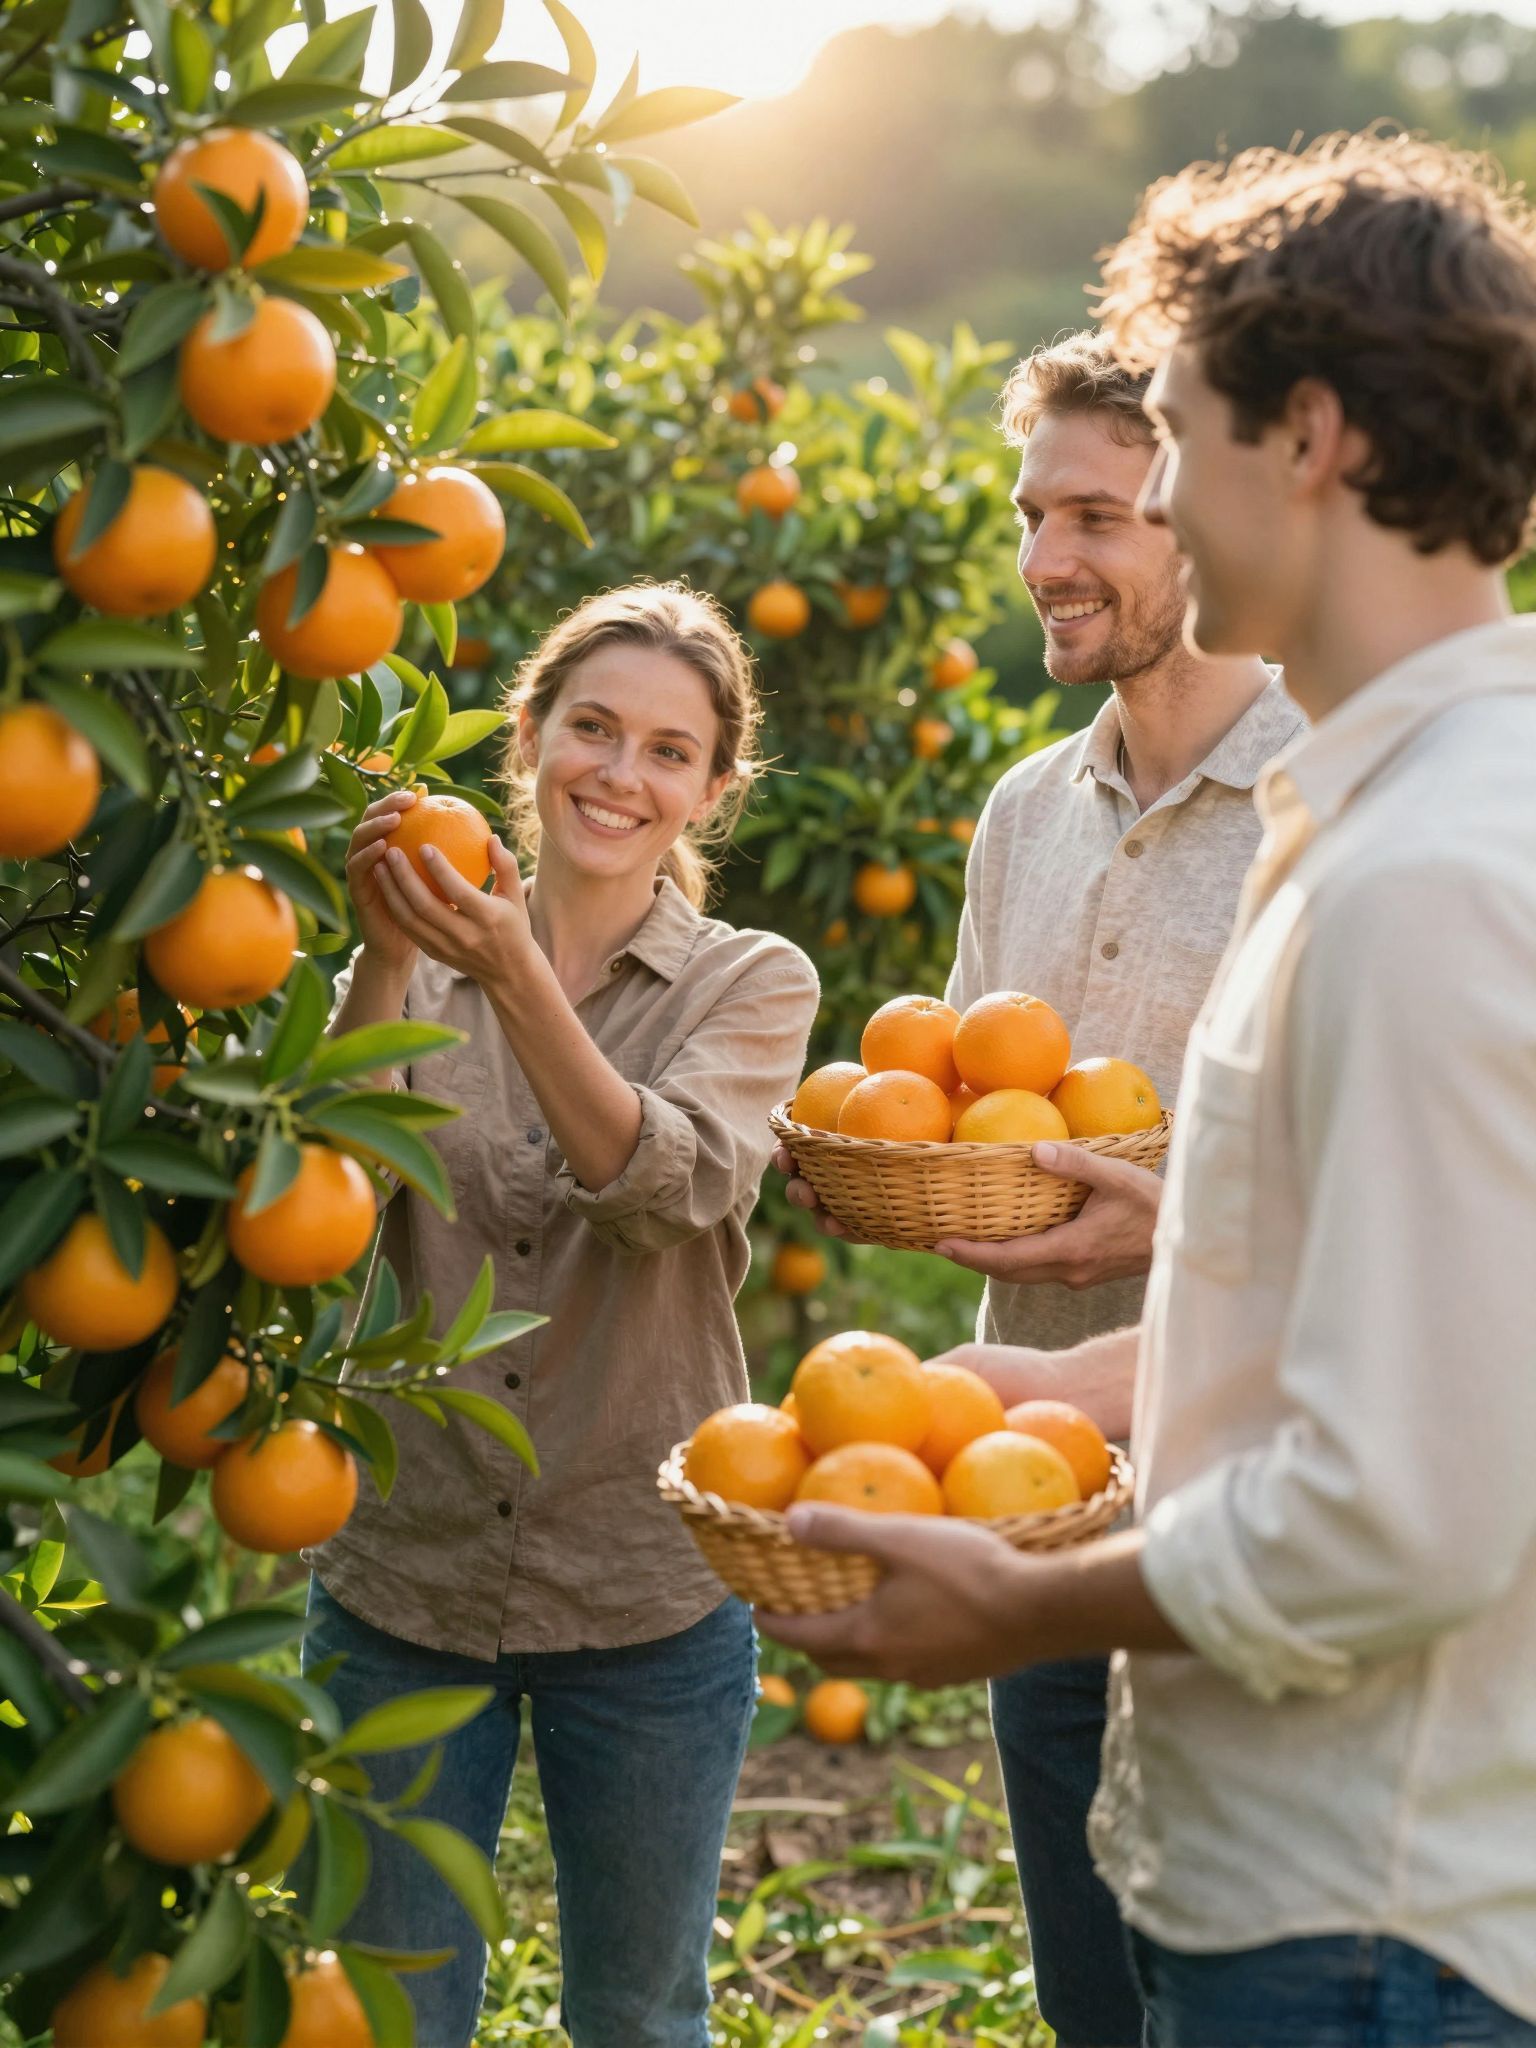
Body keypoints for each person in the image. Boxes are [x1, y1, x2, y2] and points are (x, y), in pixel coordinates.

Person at [765, 131, 1536, 2046]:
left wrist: (1026, 1606)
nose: (1144, 503)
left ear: (1317, 439)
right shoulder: (1380, 820)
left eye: (1173, 442)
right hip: (1312, 1882)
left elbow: (1406, 1512)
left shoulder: (1431, 868)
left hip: (1364, 1924)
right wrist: (1102, 1345)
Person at [787, 329, 1302, 2048]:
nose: (1046, 559)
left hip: (1254, 1482)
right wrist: (896, 1182)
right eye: (1033, 512)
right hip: (1029, 1473)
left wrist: (1179, 1216)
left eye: (1098, 513)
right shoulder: (1025, 808)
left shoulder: (1331, 793)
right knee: (1085, 1993)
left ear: (1202, 522)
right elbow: (963, 1102)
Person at [303, 583, 820, 2048]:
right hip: (406, 1577)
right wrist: (389, 955)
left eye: (669, 751)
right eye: (590, 728)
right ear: (525, 740)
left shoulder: (753, 985)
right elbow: (327, 1197)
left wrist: (508, 968)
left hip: (645, 1584)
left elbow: (660, 1188)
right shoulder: (414, 954)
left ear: (713, 791)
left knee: (640, 2019)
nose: (620, 773)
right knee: (390, 2021)